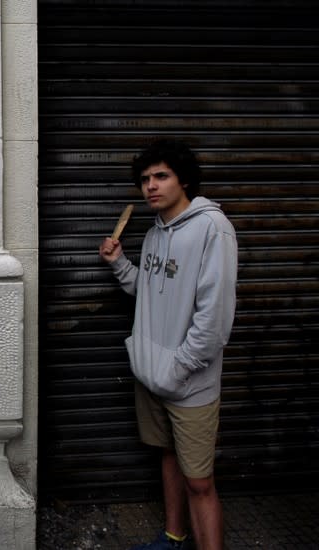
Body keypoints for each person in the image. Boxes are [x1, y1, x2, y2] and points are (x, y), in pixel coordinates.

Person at [98, 139, 237, 550]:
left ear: (184, 179)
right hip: (153, 375)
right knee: (168, 456)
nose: (151, 187)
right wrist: (120, 264)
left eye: (161, 176)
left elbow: (214, 318)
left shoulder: (212, 229)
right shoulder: (157, 232)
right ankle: (174, 536)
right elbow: (151, 290)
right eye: (144, 179)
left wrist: (180, 366)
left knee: (200, 480)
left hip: (189, 382)